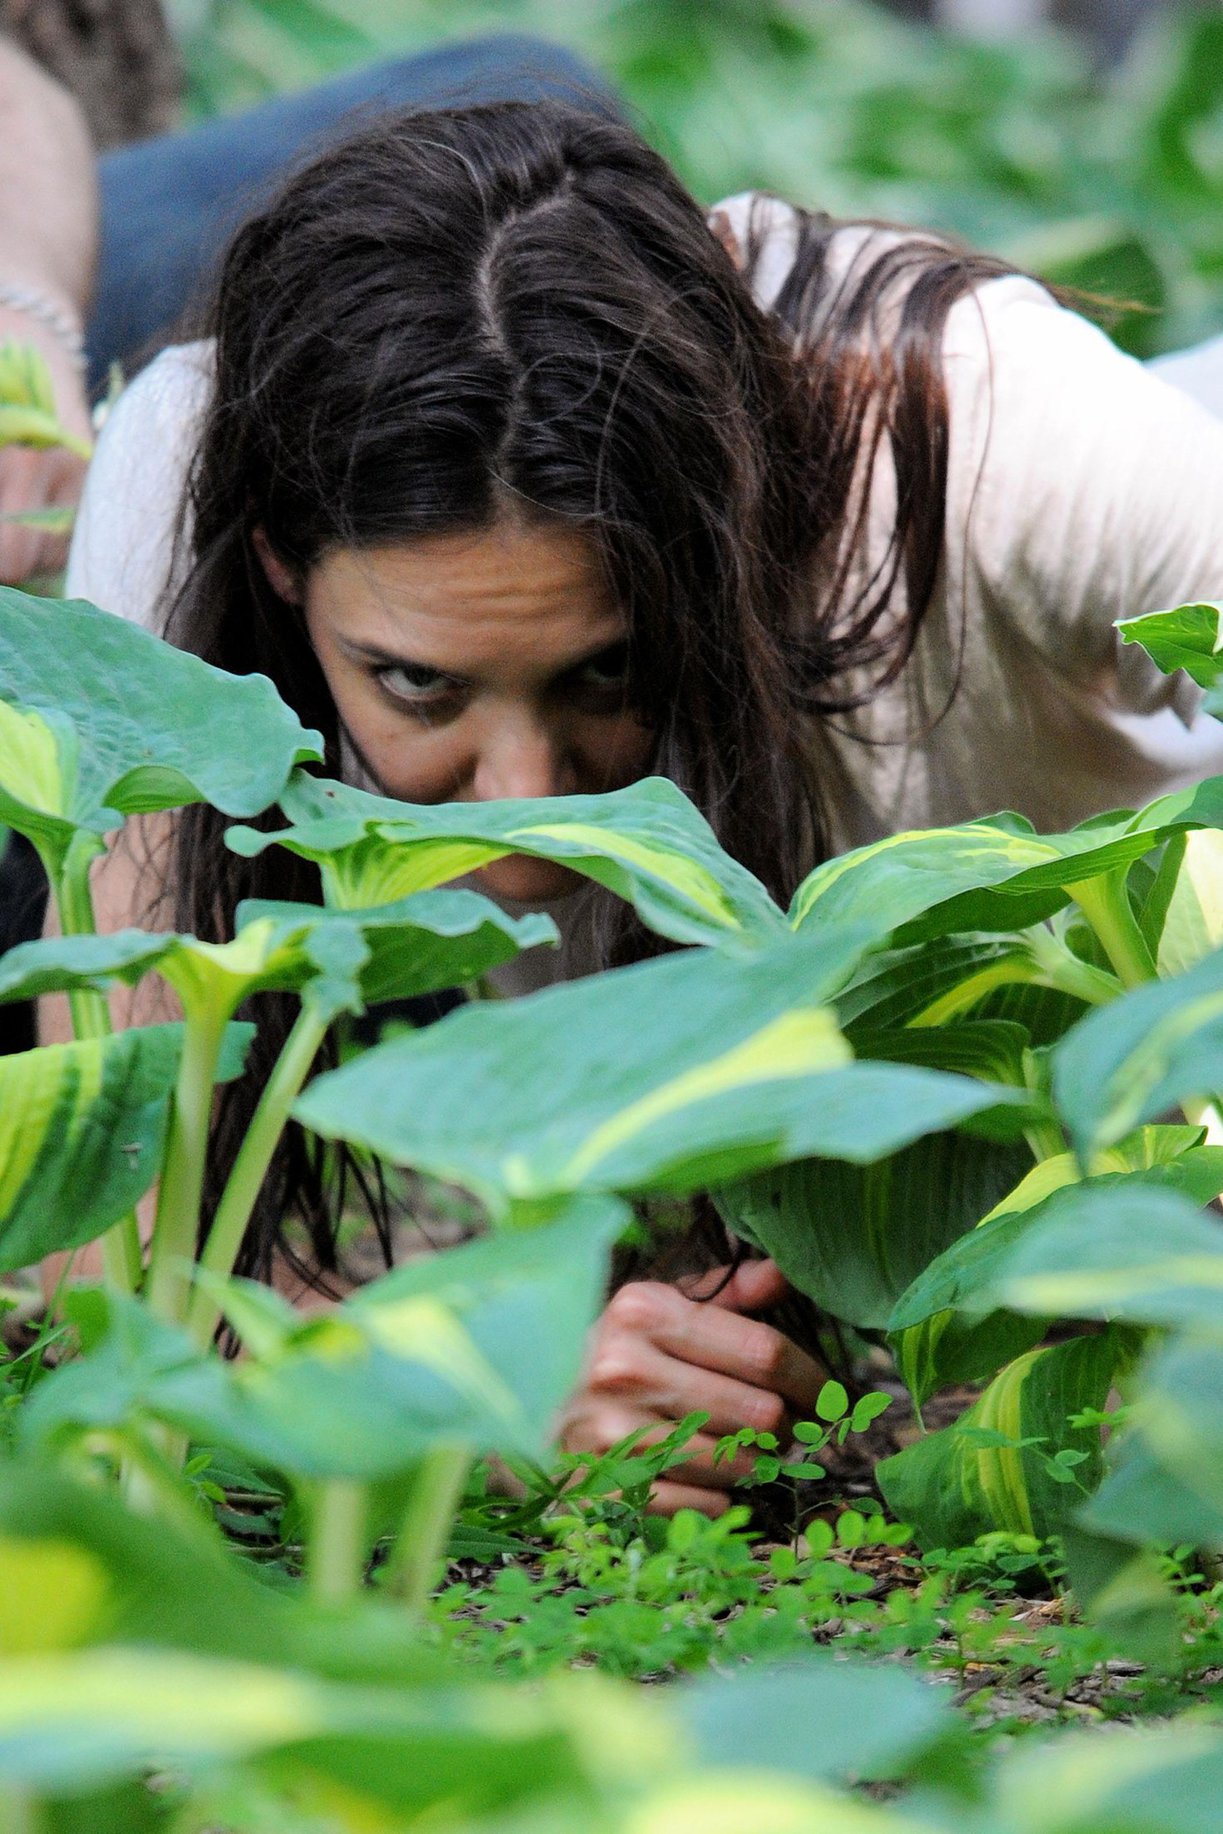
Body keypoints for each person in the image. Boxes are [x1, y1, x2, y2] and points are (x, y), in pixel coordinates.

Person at [54, 98, 1223, 1515]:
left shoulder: (981, 426)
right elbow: (111, 1251)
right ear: (281, 567)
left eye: (611, 669)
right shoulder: (189, 458)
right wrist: (484, 1395)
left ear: (727, 542)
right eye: (418, 685)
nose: (529, 807)